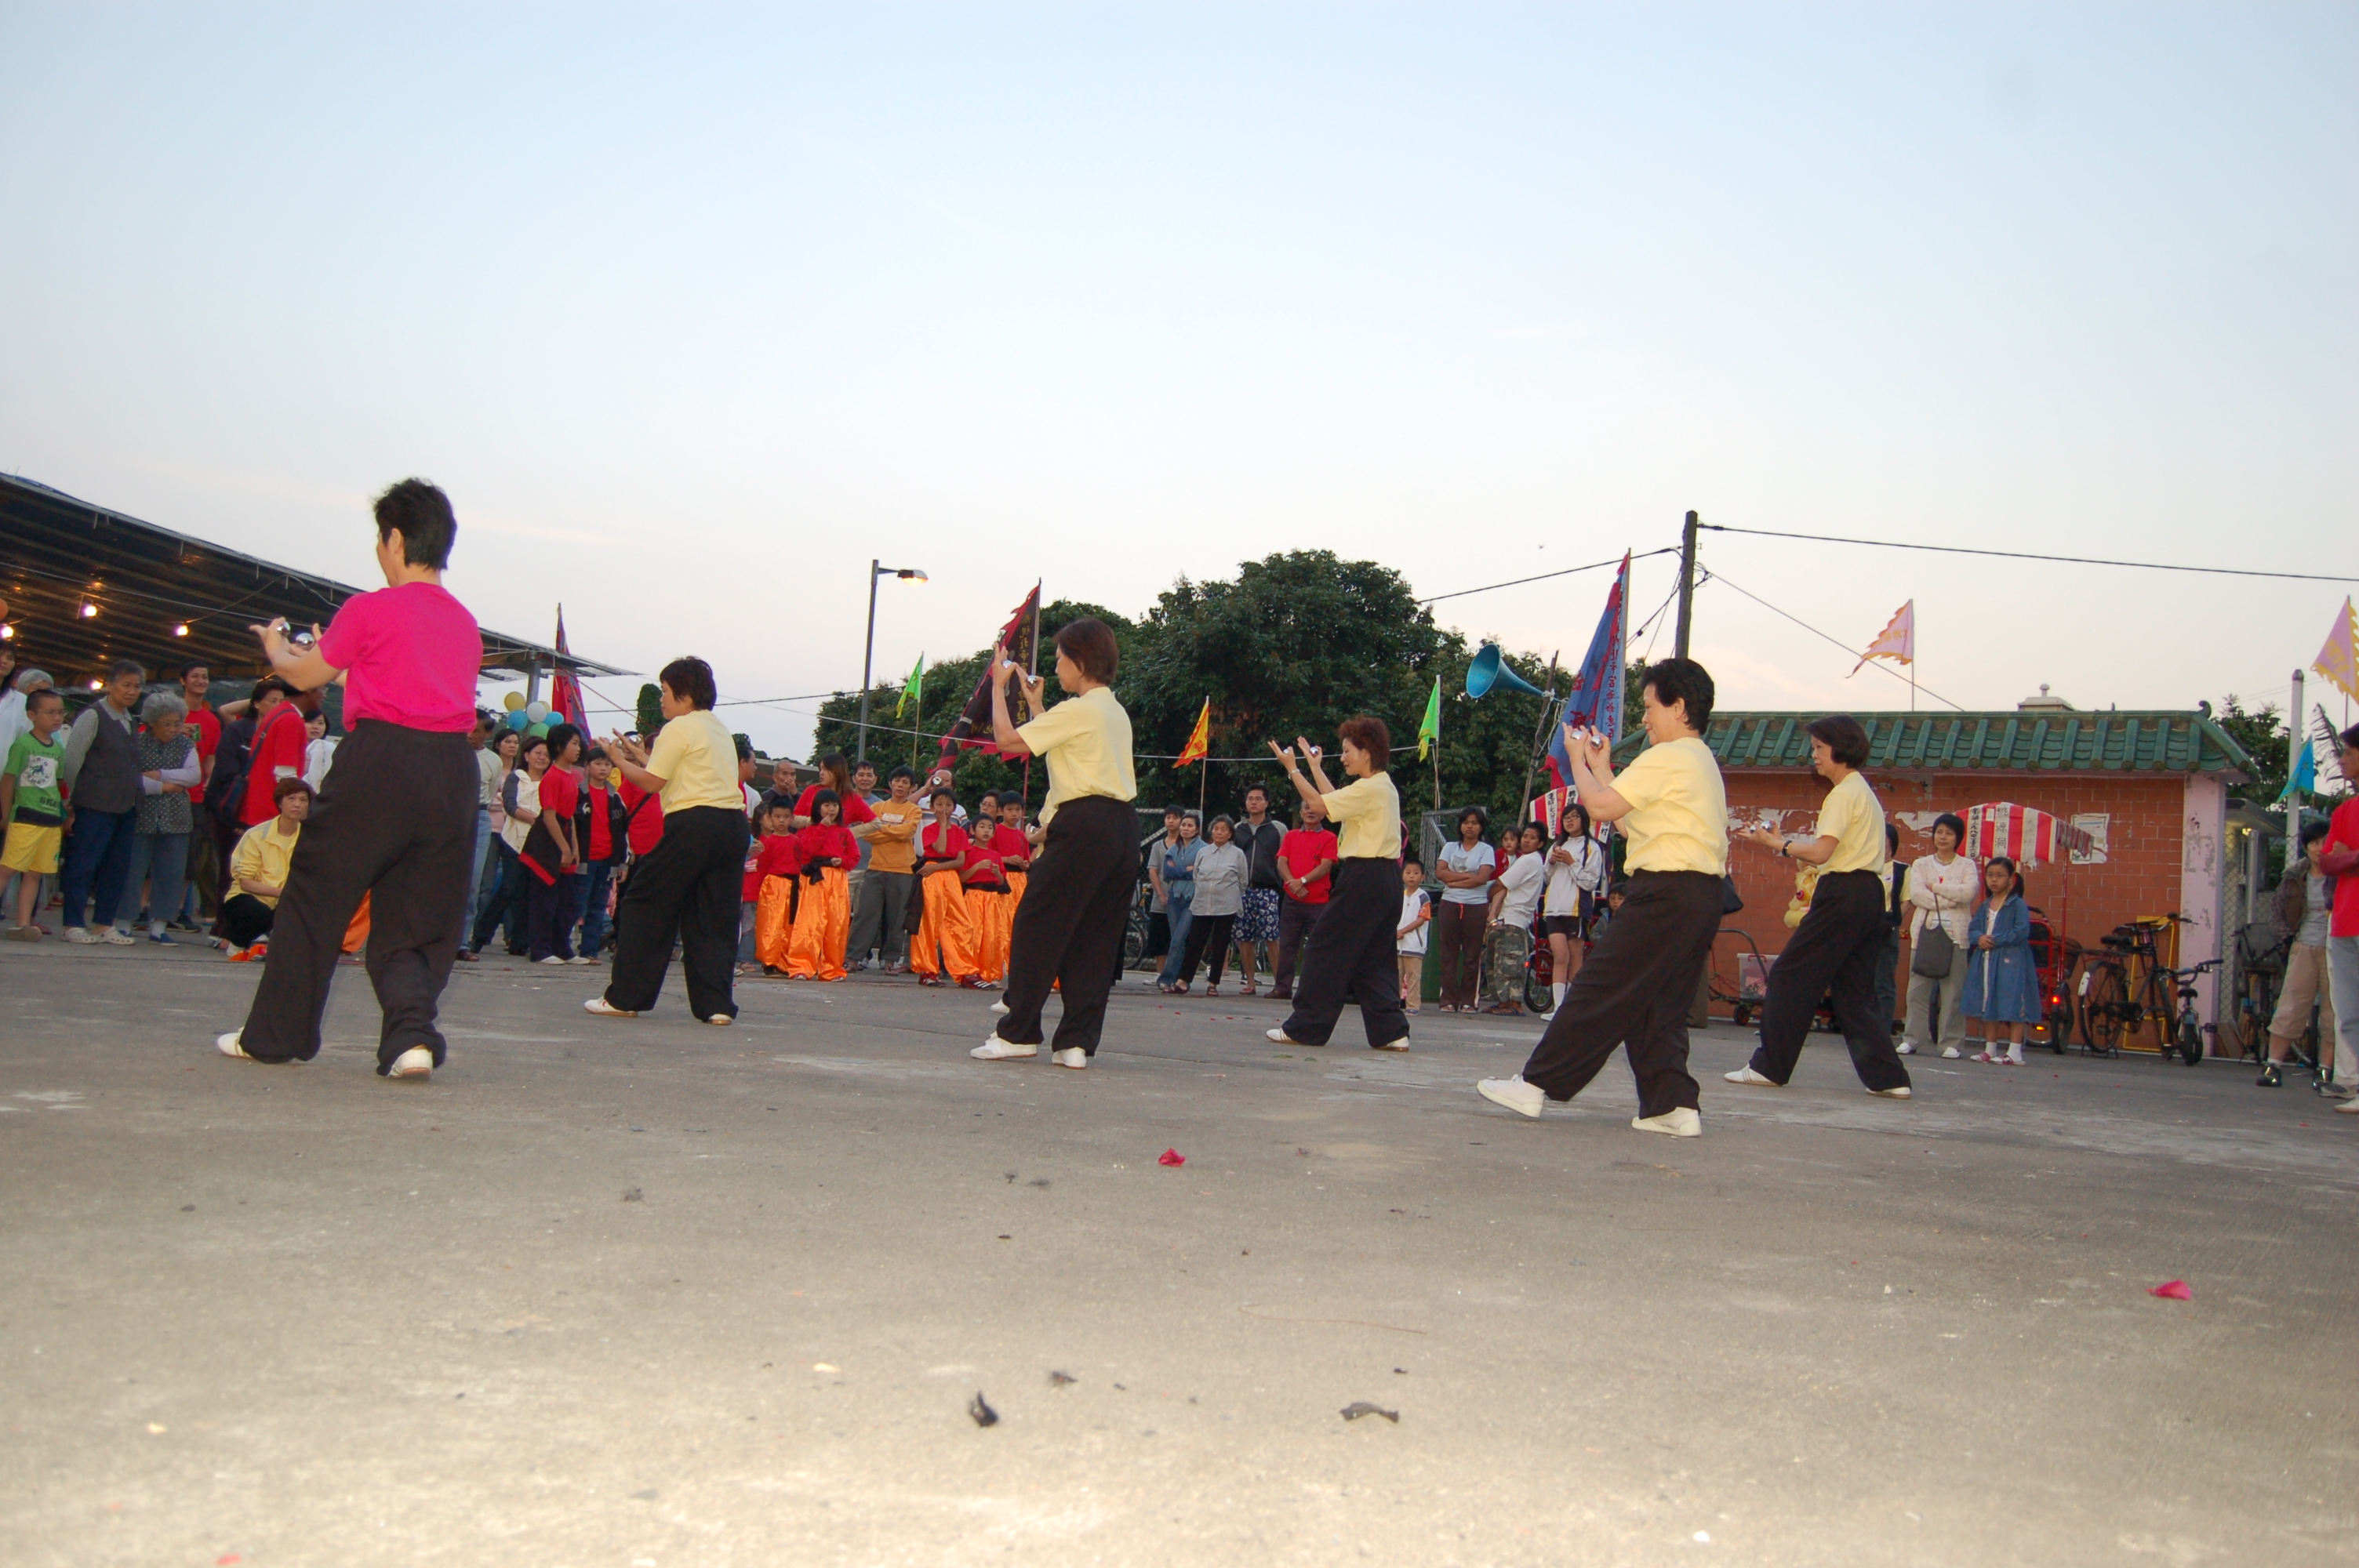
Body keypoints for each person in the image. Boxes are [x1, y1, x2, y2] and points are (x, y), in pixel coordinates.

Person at [215, 479, 485, 1080]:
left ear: (395, 539)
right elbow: (391, 677)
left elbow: (300, 675)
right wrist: (335, 660)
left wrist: (276, 648)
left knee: (316, 893)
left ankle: (275, 1036)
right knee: (418, 916)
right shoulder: (465, 624)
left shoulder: (370, 608)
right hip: (450, 770)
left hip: (380, 760)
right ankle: (411, 1037)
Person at [1476, 659, 1729, 1137]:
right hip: (1698, 894)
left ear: (1679, 707)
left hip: (1665, 890)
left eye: (1650, 707)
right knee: (1658, 1003)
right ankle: (1672, 1105)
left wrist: (1576, 759)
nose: (1644, 718)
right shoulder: (1698, 760)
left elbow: (1597, 807)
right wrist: (1600, 767)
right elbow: (1629, 821)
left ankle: (1535, 1084)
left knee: (1599, 987)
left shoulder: (1669, 756)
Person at [973, 617, 1138, 1069]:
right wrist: (1036, 704)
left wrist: (998, 686)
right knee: (1094, 937)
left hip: (1084, 823)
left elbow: (1007, 741)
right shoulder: (1112, 711)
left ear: (1080, 662)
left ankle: (1018, 1034)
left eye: (1061, 658)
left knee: (1037, 925)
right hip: (1122, 827)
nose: (1057, 666)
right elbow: (1061, 744)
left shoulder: (1079, 709)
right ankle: (1076, 1043)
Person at [1727, 714, 1914, 1099]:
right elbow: (1831, 851)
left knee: (1789, 975)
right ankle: (1889, 1078)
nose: (1813, 755)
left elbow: (1823, 853)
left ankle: (1768, 1068)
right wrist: (1785, 842)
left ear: (1841, 749)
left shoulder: (1842, 794)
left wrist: (1775, 844)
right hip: (1868, 894)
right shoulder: (1862, 790)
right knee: (1853, 991)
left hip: (1843, 893)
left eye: (1819, 748)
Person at [590, 658, 752, 1025]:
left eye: (665, 691)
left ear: (685, 694)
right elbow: (676, 769)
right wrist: (636, 755)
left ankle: (625, 997)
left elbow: (652, 782)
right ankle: (716, 1006)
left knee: (644, 904)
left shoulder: (677, 727)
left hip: (693, 824)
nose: (662, 699)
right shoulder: (717, 728)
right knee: (713, 917)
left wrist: (616, 759)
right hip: (731, 827)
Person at [1263, 718, 1409, 1052]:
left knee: (1323, 947)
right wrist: (1315, 767)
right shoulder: (1380, 786)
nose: (1342, 758)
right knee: (1374, 957)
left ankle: (1306, 1028)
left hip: (1365, 877)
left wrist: (1292, 769)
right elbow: (1335, 804)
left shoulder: (1370, 788)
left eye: (1347, 751)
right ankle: (1391, 1032)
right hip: (1386, 879)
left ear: (1366, 752)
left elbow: (1318, 806)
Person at [56, 659, 148, 943]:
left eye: (136, 686)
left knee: (116, 867)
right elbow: (73, 759)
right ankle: (73, 923)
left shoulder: (131, 720)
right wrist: (72, 798)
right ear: (110, 685)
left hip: (127, 806)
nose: (131, 691)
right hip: (94, 804)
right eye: (126, 685)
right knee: (83, 864)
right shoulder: (93, 716)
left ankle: (104, 923)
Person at [2261, 822, 2338, 1091]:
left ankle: (2326, 1070)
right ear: (2306, 846)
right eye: (2314, 843)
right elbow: (2276, 912)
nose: (2319, 848)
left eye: (2325, 842)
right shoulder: (2294, 876)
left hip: (2337, 949)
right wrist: (2287, 937)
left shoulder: (2342, 875)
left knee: (2333, 1011)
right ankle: (2273, 1066)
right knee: (2291, 1005)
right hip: (2303, 946)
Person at [121, 691, 200, 943]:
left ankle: (160, 926)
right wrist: (165, 786)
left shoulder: (186, 745)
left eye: (177, 723)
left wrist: (159, 774)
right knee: (132, 870)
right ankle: (124, 921)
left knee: (171, 872)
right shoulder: (136, 743)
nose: (173, 729)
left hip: (176, 818)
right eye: (167, 723)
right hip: (140, 815)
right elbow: (131, 779)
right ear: (152, 722)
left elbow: (194, 776)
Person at [1899, 812, 1976, 1058]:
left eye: (1949, 833)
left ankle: (1951, 1042)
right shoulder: (1921, 864)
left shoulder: (1967, 866)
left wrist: (1936, 888)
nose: (1943, 837)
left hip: (1956, 937)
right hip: (1925, 934)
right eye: (1939, 832)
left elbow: (1968, 893)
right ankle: (1913, 1038)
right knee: (1917, 991)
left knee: (1953, 992)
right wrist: (1950, 899)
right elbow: (1917, 895)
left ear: (1958, 838)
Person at [471, 732, 548, 955]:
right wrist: (536, 820)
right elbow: (510, 805)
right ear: (527, 755)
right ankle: (480, 936)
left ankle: (520, 942)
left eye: (546, 755)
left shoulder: (550, 780)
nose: (542, 758)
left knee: (530, 892)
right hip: (514, 839)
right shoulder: (517, 777)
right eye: (537, 753)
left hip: (541, 843)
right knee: (510, 889)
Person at [2, 686, 69, 940]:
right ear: (32, 715)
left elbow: (58, 784)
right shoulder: (23, 745)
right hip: (26, 816)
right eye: (50, 712)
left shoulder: (58, 749)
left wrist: (64, 814)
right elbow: (9, 780)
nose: (57, 717)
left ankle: (22, 924)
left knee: (34, 873)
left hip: (50, 819)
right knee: (8, 869)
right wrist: (6, 814)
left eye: (60, 712)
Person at [1958, 857, 2041, 1065]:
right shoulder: (1985, 905)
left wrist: (1995, 940)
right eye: (1990, 875)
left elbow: (2021, 931)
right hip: (1987, 959)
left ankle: (2015, 1051)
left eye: (2000, 876)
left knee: (2014, 1000)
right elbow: (1973, 928)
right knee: (1988, 999)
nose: (1994, 880)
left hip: (2012, 960)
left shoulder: (2017, 904)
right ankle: (1990, 1048)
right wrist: (1979, 938)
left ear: (2011, 879)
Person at [221, 777, 311, 956]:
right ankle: (238, 942)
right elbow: (246, 882)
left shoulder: (309, 839)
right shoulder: (256, 835)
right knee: (258, 913)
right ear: (280, 803)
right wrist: (283, 893)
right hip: (250, 897)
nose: (297, 804)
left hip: (287, 901)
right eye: (291, 799)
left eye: (303, 800)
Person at [458, 727, 524, 961]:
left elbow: (493, 797)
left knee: (498, 885)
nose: (512, 746)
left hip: (506, 830)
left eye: (516, 742)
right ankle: (471, 935)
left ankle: (474, 938)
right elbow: (497, 798)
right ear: (497, 743)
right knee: (480, 885)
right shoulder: (459, 756)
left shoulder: (513, 771)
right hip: (479, 823)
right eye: (508, 741)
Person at [848, 766, 923, 971]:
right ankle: (853, 958)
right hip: (875, 868)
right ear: (890, 783)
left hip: (903, 871)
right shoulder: (877, 808)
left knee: (897, 919)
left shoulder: (913, 810)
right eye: (897, 781)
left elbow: (907, 832)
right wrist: (893, 832)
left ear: (912, 787)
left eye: (905, 782)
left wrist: (881, 828)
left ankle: (890, 960)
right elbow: (868, 834)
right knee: (865, 916)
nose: (900, 785)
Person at [525, 724, 590, 965]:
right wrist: (563, 848)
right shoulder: (552, 776)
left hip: (564, 834)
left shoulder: (571, 776)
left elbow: (570, 815)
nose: (578, 748)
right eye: (574, 743)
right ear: (560, 747)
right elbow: (549, 816)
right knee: (545, 900)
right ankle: (540, 949)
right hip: (547, 840)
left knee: (568, 902)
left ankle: (563, 948)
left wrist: (574, 847)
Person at [2321, 725, 2359, 1118]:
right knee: (2350, 1013)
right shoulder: (2344, 811)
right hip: (2345, 923)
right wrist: (2350, 858)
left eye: (2348, 752)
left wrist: (2348, 856)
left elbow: (2338, 859)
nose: (2342, 759)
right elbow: (2327, 862)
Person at [1540, 803, 1608, 1016]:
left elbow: (1590, 882)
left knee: (1575, 957)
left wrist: (1571, 862)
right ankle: (1558, 1007)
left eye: (1574, 816)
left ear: (1584, 820)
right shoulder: (1556, 845)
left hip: (1576, 909)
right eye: (1566, 817)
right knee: (1560, 956)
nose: (1569, 821)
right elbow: (1546, 878)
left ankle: (1571, 1008)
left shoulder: (1592, 847)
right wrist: (1552, 862)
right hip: (1553, 909)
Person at [909, 786, 980, 986]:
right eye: (939, 804)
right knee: (930, 922)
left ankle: (964, 970)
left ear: (954, 808)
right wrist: (942, 826)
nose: (944, 809)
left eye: (948, 805)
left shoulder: (959, 832)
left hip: (949, 877)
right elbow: (939, 849)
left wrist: (937, 868)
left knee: (961, 922)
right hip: (932, 878)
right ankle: (927, 970)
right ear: (932, 807)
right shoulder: (929, 830)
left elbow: (960, 861)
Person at [1270, 797, 1337, 1001]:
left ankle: (1315, 989)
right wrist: (1293, 884)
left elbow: (1326, 866)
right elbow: (1282, 862)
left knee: (1318, 947)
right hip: (1292, 900)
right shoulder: (1291, 836)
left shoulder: (1329, 838)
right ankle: (1282, 987)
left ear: (1323, 814)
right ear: (1300, 813)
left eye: (1314, 808)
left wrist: (1302, 881)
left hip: (1318, 901)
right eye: (1306, 808)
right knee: (1287, 945)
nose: (1310, 812)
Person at [787, 790, 857, 981]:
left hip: (837, 879)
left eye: (834, 805)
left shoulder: (845, 832)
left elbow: (854, 857)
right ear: (818, 809)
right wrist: (822, 828)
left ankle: (831, 968)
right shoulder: (811, 829)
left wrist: (842, 862)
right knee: (810, 923)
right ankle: (802, 966)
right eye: (826, 805)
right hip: (815, 878)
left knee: (836, 924)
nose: (831, 809)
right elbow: (808, 850)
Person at [1430, 807, 1495, 1011]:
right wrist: (1467, 877)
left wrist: (1454, 880)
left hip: (1476, 905)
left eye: (1474, 823)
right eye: (1466, 822)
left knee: (1472, 954)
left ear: (1481, 827)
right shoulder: (1450, 847)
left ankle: (1469, 1001)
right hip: (1450, 903)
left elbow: (1482, 878)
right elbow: (1440, 873)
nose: (1470, 827)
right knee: (1448, 954)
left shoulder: (1486, 850)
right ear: (1460, 826)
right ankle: (1448, 1000)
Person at [1176, 814, 1247, 995]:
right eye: (1216, 829)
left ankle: (1213, 983)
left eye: (1224, 829)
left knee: (1220, 944)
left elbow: (1243, 881)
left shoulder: (1237, 854)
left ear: (1230, 833)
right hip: (1202, 903)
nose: (1219, 832)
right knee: (1194, 942)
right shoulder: (1203, 852)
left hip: (1226, 905)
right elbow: (1196, 876)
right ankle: (1183, 980)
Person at [1481, 822, 1546, 1015]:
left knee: (1509, 963)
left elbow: (1501, 883)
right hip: (1506, 917)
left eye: (1532, 838)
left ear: (1540, 843)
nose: (1526, 840)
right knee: (1498, 963)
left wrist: (1487, 896)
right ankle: (1503, 1002)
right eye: (1525, 836)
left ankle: (1515, 1004)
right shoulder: (1528, 860)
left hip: (1514, 918)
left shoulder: (1529, 861)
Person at [179, 661, 224, 927]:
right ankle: (144, 906)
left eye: (205, 677)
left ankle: (178, 911)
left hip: (196, 797)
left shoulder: (211, 721)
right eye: (194, 676)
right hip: (165, 792)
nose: (200, 681)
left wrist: (209, 780)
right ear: (183, 681)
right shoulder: (171, 713)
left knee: (190, 857)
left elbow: (210, 756)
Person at [1229, 783, 1285, 996]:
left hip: (1268, 889)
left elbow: (1285, 857)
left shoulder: (1278, 829)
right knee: (1244, 937)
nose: (1254, 802)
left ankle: (1280, 983)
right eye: (1250, 799)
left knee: (1272, 936)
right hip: (1242, 890)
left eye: (1258, 799)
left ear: (1267, 803)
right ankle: (1250, 982)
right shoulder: (1237, 829)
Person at [575, 744, 628, 963]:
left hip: (607, 859)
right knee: (576, 904)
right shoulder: (578, 794)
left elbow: (623, 831)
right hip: (583, 859)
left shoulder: (615, 797)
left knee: (598, 907)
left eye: (607, 764)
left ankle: (590, 951)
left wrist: (622, 863)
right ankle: (562, 947)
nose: (603, 768)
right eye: (598, 763)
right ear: (587, 767)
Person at [240, 679, 314, 829]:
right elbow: (285, 775)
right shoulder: (290, 719)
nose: (324, 695)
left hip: (260, 809)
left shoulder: (278, 714)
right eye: (322, 689)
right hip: (273, 815)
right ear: (308, 692)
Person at [958, 811, 1014, 986]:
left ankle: (988, 972)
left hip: (992, 899)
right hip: (973, 895)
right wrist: (977, 867)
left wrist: (997, 873)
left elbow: (1002, 882)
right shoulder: (968, 852)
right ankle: (970, 971)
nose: (986, 831)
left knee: (991, 935)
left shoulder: (995, 855)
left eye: (990, 828)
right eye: (982, 827)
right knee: (974, 935)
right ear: (973, 830)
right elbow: (962, 878)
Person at [750, 797, 803, 973]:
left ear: (792, 818)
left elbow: (799, 862)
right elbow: (763, 867)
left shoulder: (796, 841)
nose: (781, 821)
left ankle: (784, 960)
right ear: (770, 818)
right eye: (777, 817)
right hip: (773, 884)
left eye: (786, 817)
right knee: (771, 923)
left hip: (792, 885)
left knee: (789, 925)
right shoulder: (768, 843)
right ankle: (769, 960)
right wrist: (761, 888)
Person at [1154, 811, 1202, 993]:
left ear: (1197, 829)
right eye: (1184, 825)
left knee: (1180, 938)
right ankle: (1177, 979)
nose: (1185, 829)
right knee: (1176, 940)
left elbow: (1199, 873)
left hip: (1193, 898)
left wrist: (1183, 870)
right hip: (1174, 897)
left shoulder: (1203, 849)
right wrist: (1186, 870)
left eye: (1190, 825)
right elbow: (1168, 872)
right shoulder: (1174, 848)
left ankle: (1169, 977)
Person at [1143, 804, 1183, 972]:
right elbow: (1153, 870)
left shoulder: (1188, 845)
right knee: (1160, 939)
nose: (1171, 821)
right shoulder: (1158, 846)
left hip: (1182, 899)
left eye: (1175, 817)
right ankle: (1161, 974)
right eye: (1168, 817)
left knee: (1179, 938)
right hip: (1161, 901)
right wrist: (1161, 895)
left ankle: (1177, 975)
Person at [1397, 855, 1431, 1014]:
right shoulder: (1399, 895)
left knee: (1413, 977)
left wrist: (1403, 931)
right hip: (1398, 944)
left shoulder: (1423, 897)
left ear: (1423, 877)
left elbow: (1421, 919)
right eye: (1408, 872)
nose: (1412, 876)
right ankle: (1393, 1004)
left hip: (1414, 945)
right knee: (1395, 976)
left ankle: (1412, 1005)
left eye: (1416, 873)